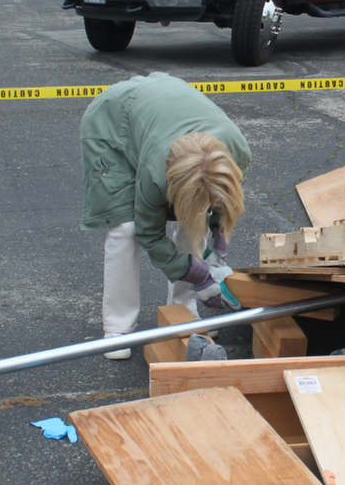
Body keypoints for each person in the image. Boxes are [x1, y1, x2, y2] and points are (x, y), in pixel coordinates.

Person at [79, 73, 251, 359]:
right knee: (125, 228)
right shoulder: (156, 172)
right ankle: (118, 328)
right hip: (113, 122)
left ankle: (183, 310)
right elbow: (148, 233)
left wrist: (216, 253)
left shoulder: (236, 152)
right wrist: (198, 275)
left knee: (195, 219)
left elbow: (224, 200)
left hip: (162, 109)